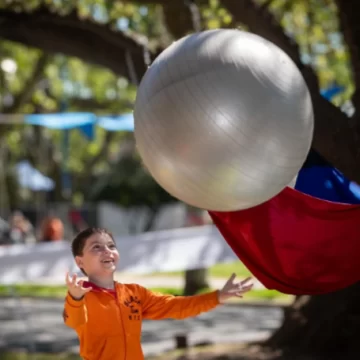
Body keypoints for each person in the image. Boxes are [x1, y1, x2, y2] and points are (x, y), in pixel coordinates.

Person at [63, 227, 253, 360]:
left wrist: (217, 297)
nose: (107, 251)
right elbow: (74, 320)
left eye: (111, 246)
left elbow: (177, 306)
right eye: (96, 247)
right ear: (80, 262)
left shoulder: (134, 293)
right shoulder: (82, 296)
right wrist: (75, 298)